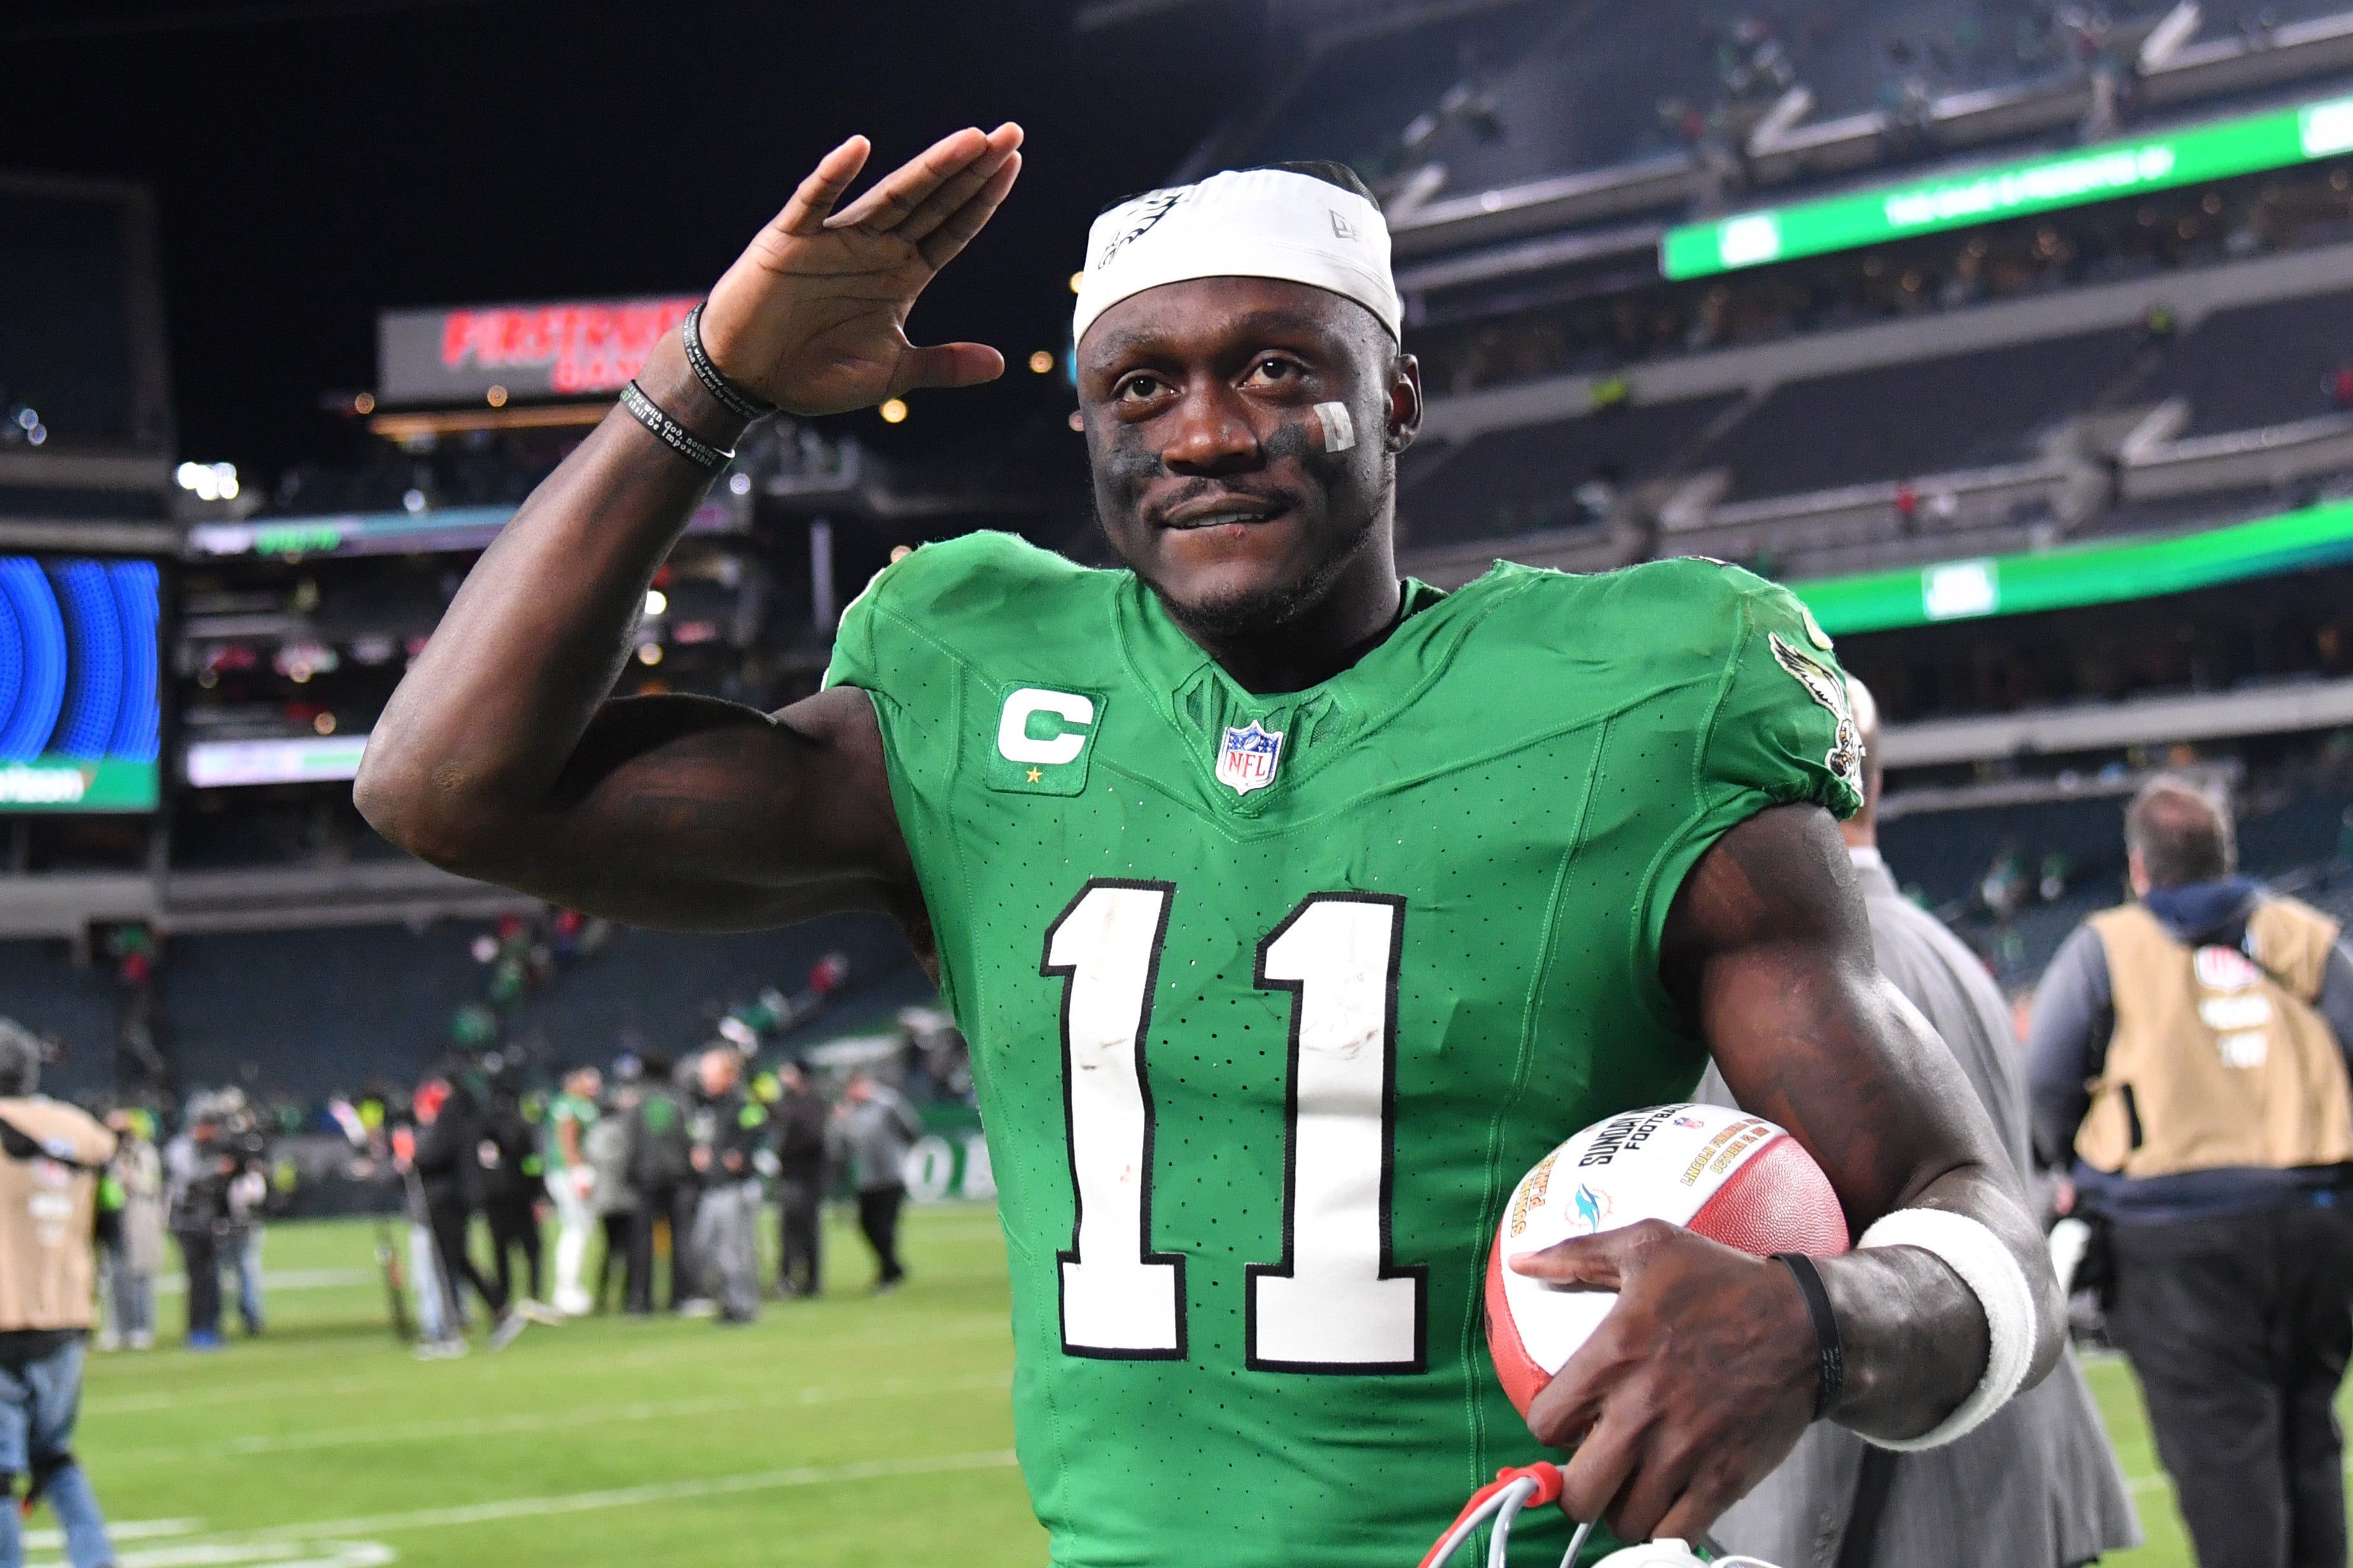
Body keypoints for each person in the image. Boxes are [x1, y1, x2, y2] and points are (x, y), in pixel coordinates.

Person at [356, 128, 2064, 1564]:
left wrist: (1817, 1327)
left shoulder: (1644, 697)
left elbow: (1962, 1208)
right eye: (1140, 386)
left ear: (1394, 396)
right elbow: (444, 787)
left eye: (1272, 367)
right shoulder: (971, 692)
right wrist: (707, 382)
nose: (1205, 430)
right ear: (1087, 427)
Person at [1701, 677, 2139, 1567]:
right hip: (2020, 1474)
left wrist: (1788, 1544)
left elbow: (1799, 1282)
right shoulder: (1946, 950)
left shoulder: (1787, 976)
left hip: (1912, 1507)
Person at [2029, 775, 2353, 1568]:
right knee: (2307, 1444)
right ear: (2226, 853)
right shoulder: (2304, 934)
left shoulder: (2105, 946)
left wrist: (2065, 1158)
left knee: (2223, 1464)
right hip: (2315, 1219)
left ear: (2139, 868)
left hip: (2170, 1236)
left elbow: (2044, 1078)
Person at [0, 1023, 117, 1568]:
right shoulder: (82, 1131)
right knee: (56, 1457)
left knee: (1, 1472)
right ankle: (96, 1560)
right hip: (67, 1314)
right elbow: (108, 1218)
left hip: (3, 1313)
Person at [412, 1071, 529, 1352]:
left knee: (445, 1265)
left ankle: (451, 1334)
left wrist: (412, 1157)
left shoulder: (450, 1120)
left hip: (445, 1199)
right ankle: (500, 1310)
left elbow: (431, 1157)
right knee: (460, 1261)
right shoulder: (474, 1119)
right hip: (464, 1199)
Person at [688, 1048, 767, 1324]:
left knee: (738, 1250)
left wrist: (741, 1154)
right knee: (704, 1246)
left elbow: (759, 1126)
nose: (705, 1079)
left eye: (711, 1074)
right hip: (714, 1185)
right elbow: (701, 1136)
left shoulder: (742, 1103)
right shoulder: (709, 1106)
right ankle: (728, 1298)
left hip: (736, 1187)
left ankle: (743, 1306)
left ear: (729, 1075)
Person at [622, 1055, 699, 1315]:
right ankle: (682, 1297)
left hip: (645, 1179)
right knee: (681, 1240)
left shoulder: (637, 1104)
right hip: (677, 1179)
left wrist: (630, 1174)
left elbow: (630, 1143)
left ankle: (640, 1301)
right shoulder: (680, 1103)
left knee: (642, 1242)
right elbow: (690, 1140)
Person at [831, 1069, 920, 1292]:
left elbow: (910, 1128)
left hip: (891, 1174)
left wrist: (904, 1150)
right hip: (867, 1178)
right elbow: (842, 1146)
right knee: (866, 1225)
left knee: (884, 1226)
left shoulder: (887, 1103)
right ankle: (892, 1267)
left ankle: (888, 1272)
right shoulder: (848, 1111)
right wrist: (839, 1122)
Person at [478, 1065, 547, 1314]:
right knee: (533, 1249)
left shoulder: (483, 1123)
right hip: (521, 1196)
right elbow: (533, 1163)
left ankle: (503, 1301)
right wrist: (540, 1194)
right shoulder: (522, 1124)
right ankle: (534, 1296)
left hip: (493, 1197)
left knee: (500, 1251)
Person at [99, 1111, 163, 1352]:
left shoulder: (144, 1153)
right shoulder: (107, 1154)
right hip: (113, 1222)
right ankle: (118, 1328)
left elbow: (152, 1184)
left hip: (138, 1221)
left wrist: (130, 1177)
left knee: (140, 1277)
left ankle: (141, 1327)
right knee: (115, 1277)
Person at [545, 1065, 602, 1315]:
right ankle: (566, 1291)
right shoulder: (567, 1105)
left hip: (576, 1171)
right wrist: (578, 1173)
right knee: (575, 1230)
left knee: (580, 1230)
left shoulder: (584, 1105)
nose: (593, 1086)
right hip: (569, 1173)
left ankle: (572, 1288)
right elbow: (567, 1140)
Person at [771, 1060, 827, 1298]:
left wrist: (787, 1150)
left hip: (806, 1175)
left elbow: (814, 1138)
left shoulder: (812, 1102)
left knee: (805, 1228)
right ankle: (790, 1278)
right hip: (792, 1173)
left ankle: (810, 1280)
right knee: (789, 1228)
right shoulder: (790, 1102)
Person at [585, 1073, 639, 1312]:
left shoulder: (595, 1133)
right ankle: (629, 1296)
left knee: (609, 1249)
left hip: (604, 1199)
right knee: (628, 1249)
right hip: (625, 1197)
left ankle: (601, 1295)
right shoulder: (622, 1132)